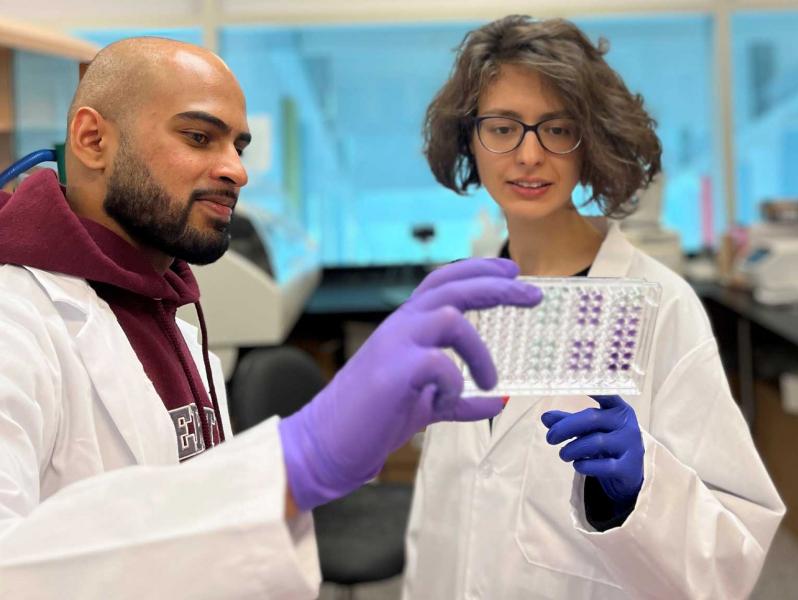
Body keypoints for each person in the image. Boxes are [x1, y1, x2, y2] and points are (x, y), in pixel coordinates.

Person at [0, 38, 542, 597]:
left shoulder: (168, 314)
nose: (236, 169)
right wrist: (297, 458)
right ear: (93, 139)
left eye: (238, 145)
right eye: (198, 136)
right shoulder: (15, 323)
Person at [403, 15, 785, 600]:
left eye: (557, 130)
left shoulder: (660, 307)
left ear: (593, 143)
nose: (528, 155)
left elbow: (733, 554)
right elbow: (442, 503)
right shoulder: (455, 298)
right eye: (503, 128)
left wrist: (637, 491)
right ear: (468, 140)